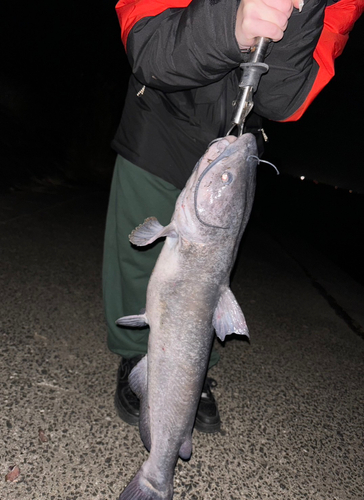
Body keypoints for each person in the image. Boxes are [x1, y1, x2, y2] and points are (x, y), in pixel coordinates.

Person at [103, 0, 362, 433]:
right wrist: (229, 25)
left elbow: (284, 100)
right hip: (160, 121)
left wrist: (303, 13)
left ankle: (192, 369)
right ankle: (136, 354)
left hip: (237, 146)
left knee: (211, 279)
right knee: (139, 258)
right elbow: (147, 45)